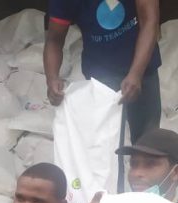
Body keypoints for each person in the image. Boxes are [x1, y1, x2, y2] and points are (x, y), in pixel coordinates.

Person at [44, 0, 161, 143]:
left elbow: (149, 20)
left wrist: (136, 73)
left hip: (143, 68)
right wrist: (52, 78)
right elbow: (54, 39)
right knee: (104, 142)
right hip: (100, 74)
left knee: (147, 139)